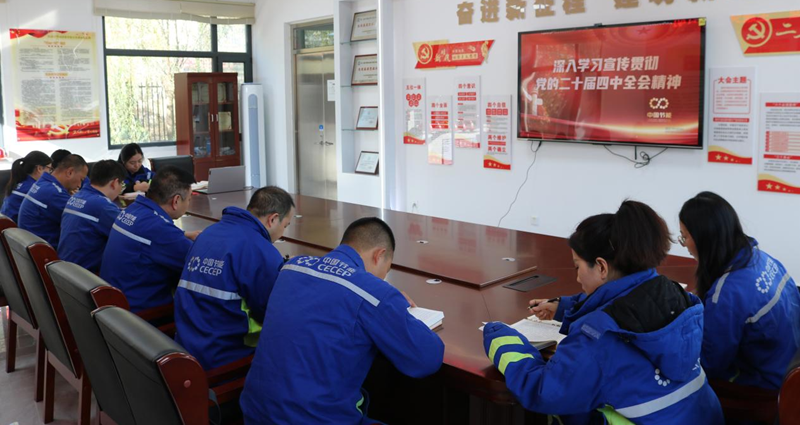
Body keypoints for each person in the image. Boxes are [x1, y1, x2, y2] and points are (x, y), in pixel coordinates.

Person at [484, 201, 723, 425]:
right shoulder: (673, 295)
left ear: (601, 267)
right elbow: (627, 300)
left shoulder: (597, 335)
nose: (577, 277)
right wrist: (566, 307)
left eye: (577, 266)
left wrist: (498, 335)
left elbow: (544, 392)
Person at [240, 217, 445, 425]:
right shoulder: (373, 292)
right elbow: (428, 358)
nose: (382, 278)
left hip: (255, 414)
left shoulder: (291, 268)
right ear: (379, 255)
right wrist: (392, 306)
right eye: (386, 270)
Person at [680, 191, 800, 391]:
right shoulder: (759, 257)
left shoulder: (727, 293)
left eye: (684, 237)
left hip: (766, 384)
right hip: (788, 359)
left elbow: (709, 363)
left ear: (704, 239)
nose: (684, 245)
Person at [174, 187, 295, 370]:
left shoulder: (208, 233)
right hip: (223, 356)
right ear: (273, 219)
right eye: (285, 225)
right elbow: (270, 312)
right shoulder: (260, 250)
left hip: (186, 343)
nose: (282, 233)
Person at [100, 166, 201, 313]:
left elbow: (151, 236)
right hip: (140, 315)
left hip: (114, 302)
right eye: (189, 199)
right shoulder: (160, 230)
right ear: (176, 201)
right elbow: (197, 261)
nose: (188, 203)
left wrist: (183, 235)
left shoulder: (133, 209)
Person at [58, 160, 126, 274]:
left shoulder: (77, 196)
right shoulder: (101, 205)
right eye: (122, 185)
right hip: (85, 276)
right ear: (114, 183)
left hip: (65, 269)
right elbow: (130, 231)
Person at [17, 154, 87, 249]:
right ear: (70, 172)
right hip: (45, 250)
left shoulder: (43, 183)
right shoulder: (55, 193)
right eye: (81, 179)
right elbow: (81, 220)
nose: (79, 185)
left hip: (29, 245)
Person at [1, 151, 52, 223]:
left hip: (7, 226)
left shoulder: (19, 182)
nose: (50, 173)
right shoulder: (34, 188)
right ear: (39, 168)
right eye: (49, 169)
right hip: (17, 227)